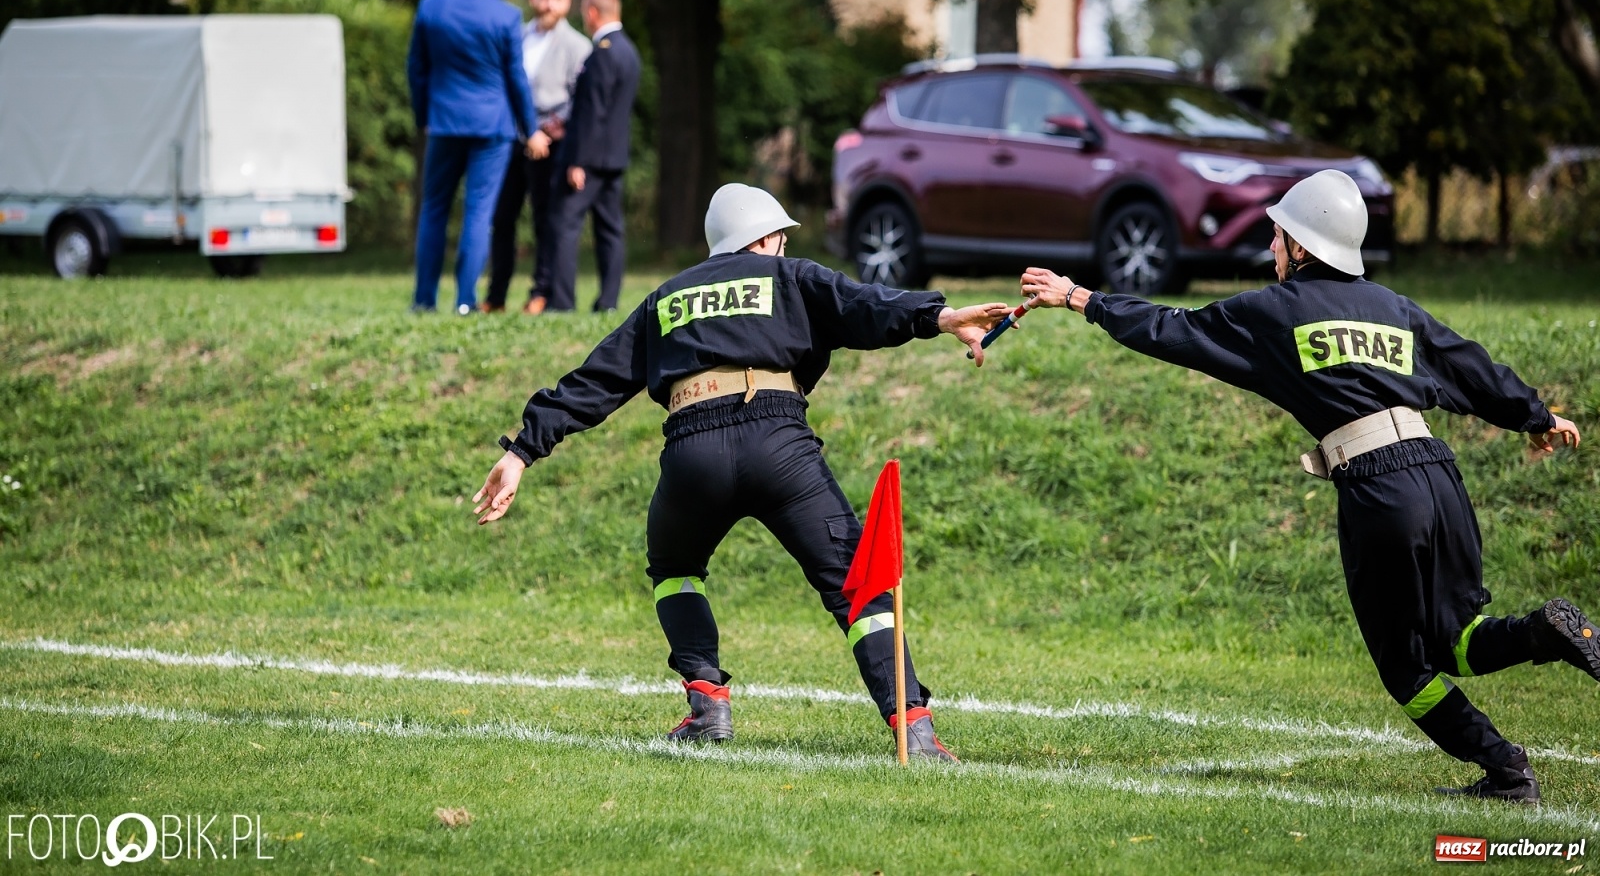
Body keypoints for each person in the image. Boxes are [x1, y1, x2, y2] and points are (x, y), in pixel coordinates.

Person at [1019, 169, 1589, 803]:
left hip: (1379, 487)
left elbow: (1173, 330)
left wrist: (1080, 299)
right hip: (1440, 476)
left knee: (1406, 668)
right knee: (1454, 639)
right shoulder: (1392, 307)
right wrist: (1536, 417)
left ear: (1304, 248)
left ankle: (1507, 770)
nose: (1271, 248)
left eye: (1278, 236)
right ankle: (1544, 632)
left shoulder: (1276, 312)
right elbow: (1466, 363)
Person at [473, 183, 1011, 759]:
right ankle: (914, 729)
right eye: (779, 235)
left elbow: (598, 379)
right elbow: (866, 305)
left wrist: (521, 451)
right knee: (855, 586)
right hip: (777, 438)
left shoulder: (667, 296)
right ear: (763, 237)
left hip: (691, 446)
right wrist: (942, 316)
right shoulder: (791, 277)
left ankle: (707, 705)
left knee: (675, 568)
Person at [407, 0, 539, 315]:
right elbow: (517, 78)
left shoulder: (431, 7)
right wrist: (530, 129)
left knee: (433, 209)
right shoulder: (505, 15)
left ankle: (423, 300)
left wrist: (424, 118)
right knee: (478, 214)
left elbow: (417, 70)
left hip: (444, 123)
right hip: (492, 126)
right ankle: (465, 301)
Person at [482, 0, 593, 315]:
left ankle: (540, 292)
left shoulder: (579, 46)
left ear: (568, 2)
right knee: (502, 217)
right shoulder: (516, 36)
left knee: (544, 220)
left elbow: (581, 100)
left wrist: (547, 132)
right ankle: (496, 295)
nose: (549, 5)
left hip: (550, 144)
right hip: (509, 138)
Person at [546, 0, 641, 313]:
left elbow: (593, 112)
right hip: (613, 158)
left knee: (563, 225)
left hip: (589, 159)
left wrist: (577, 161)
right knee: (610, 230)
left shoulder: (603, 52)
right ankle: (609, 302)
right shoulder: (628, 50)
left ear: (591, 13)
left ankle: (561, 302)